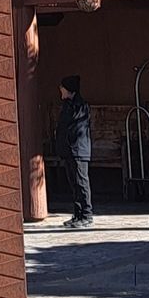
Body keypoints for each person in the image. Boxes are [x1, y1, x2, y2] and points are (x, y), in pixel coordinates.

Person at [57, 75, 94, 229]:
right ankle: (77, 214)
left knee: (81, 182)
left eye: (63, 88)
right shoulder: (67, 105)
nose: (60, 91)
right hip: (69, 151)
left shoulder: (80, 106)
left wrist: (69, 143)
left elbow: (76, 128)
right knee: (74, 183)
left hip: (78, 150)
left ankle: (86, 215)